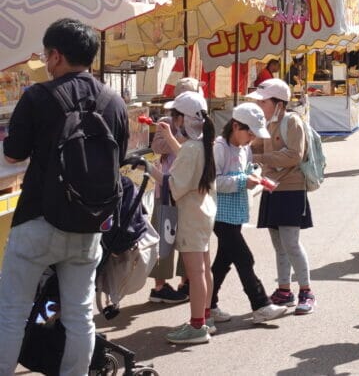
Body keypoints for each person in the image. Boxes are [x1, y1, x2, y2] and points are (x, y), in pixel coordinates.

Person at [0, 19, 128, 374]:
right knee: (79, 316)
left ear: (55, 55)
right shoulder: (114, 102)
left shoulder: (37, 97)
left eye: (45, 55)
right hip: (88, 226)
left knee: (11, 312)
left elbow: (13, 154)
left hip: (38, 221)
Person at [209, 103, 288, 325]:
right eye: (249, 133)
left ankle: (208, 303)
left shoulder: (244, 148)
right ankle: (260, 304)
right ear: (235, 126)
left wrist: (255, 175)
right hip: (220, 214)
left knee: (223, 262)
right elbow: (212, 182)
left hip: (235, 213)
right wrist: (244, 180)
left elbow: (248, 169)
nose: (252, 138)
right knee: (245, 258)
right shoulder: (220, 147)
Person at [151, 90, 217, 344]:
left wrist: (148, 169)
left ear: (182, 120)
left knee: (196, 272)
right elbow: (187, 161)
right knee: (203, 270)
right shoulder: (204, 144)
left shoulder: (192, 148)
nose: (171, 119)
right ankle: (206, 317)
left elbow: (173, 185)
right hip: (204, 212)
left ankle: (197, 325)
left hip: (190, 216)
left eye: (174, 115)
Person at [248, 78, 316, 315]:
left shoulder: (292, 121)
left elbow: (294, 155)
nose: (260, 105)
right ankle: (284, 290)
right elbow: (254, 148)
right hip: (272, 188)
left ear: (278, 103)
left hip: (291, 188)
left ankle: (306, 291)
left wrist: (260, 158)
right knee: (279, 244)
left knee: (291, 242)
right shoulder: (265, 123)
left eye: (263, 101)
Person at [148, 77, 203, 305]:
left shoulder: (200, 125)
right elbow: (157, 146)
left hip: (188, 190)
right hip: (167, 187)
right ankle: (159, 287)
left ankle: (185, 281)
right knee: (164, 237)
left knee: (186, 238)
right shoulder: (166, 122)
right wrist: (175, 135)